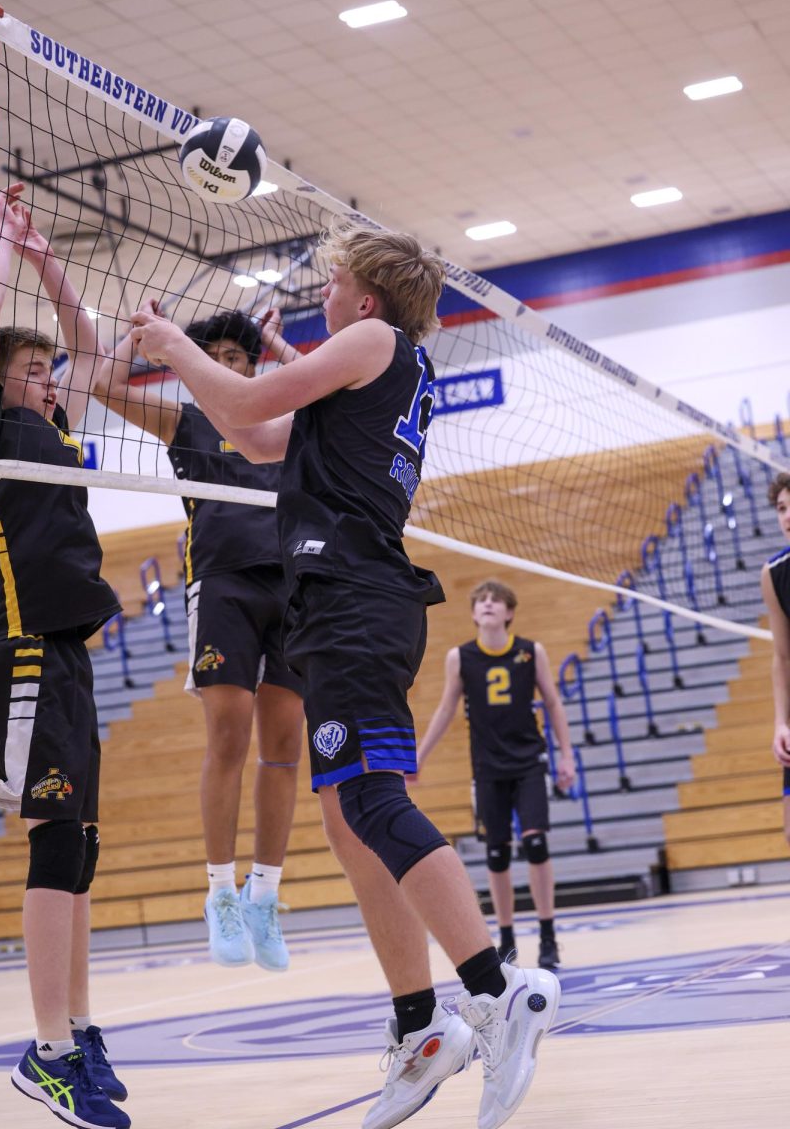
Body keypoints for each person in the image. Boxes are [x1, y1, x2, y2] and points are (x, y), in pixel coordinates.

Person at [130, 218, 561, 1129]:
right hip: (339, 605)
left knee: (369, 802)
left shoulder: (371, 340)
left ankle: (496, 989)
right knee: (345, 814)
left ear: (366, 299)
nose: (317, 299)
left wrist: (170, 348)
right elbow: (256, 443)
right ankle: (420, 1025)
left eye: (331, 287)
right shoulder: (380, 365)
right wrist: (242, 364)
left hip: (356, 601)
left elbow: (241, 410)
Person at [93, 307, 305, 970]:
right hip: (221, 586)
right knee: (228, 736)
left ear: (252, 366)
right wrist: (135, 339)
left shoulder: (284, 420)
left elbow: (328, 388)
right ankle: (219, 892)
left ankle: (264, 895)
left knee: (283, 747)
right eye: (211, 354)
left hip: (292, 586)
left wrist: (275, 343)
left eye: (238, 357)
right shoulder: (184, 419)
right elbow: (101, 388)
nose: (226, 364)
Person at [0, 186, 129, 1128]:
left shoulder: (56, 433)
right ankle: (43, 1054)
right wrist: (0, 247)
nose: (48, 377)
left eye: (49, 369)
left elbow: (93, 347)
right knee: (49, 837)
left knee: (76, 845)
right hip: (22, 653)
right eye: (31, 368)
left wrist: (45, 261)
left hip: (70, 656)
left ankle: (76, 1028)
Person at [416, 579, 576, 970]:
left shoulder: (529, 651)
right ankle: (506, 938)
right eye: (482, 601)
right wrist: (419, 756)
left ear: (508, 612)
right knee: (497, 853)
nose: (488, 604)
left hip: (528, 761)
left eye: (496, 600)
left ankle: (548, 935)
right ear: (473, 614)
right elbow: (445, 710)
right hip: (487, 767)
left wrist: (567, 756)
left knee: (536, 845)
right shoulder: (460, 657)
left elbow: (553, 703)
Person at [759, 472, 790, 847]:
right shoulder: (774, 574)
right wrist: (781, 723)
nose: (786, 517)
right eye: (781, 509)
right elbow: (781, 657)